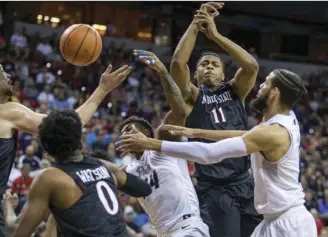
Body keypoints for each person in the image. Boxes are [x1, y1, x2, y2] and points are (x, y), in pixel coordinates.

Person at [116, 69, 317, 237]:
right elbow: (247, 135)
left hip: (289, 225)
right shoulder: (284, 118)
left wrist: (151, 143)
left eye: (265, 84)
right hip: (273, 221)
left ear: (274, 93)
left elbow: (209, 153)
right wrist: (198, 132)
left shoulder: (273, 132)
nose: (259, 87)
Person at [0, 53, 131, 237]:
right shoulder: (5, 111)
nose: (9, 76)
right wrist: (102, 90)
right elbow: (67, 125)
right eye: (2, 72)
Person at [169, 2, 261, 236]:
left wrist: (216, 35)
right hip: (215, 189)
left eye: (214, 64)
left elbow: (251, 66)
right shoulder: (192, 96)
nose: (209, 67)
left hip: (245, 183)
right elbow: (178, 64)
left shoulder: (235, 91)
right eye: (204, 64)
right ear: (197, 73)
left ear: (223, 73)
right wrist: (195, 23)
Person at [2, 110, 152, 237]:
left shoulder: (49, 178)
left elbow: (17, 232)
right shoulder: (105, 166)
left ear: (46, 150)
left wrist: (8, 207)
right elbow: (144, 189)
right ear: (80, 142)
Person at [118, 50, 209, 236]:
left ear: (145, 132)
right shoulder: (128, 170)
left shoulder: (164, 143)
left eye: (129, 130)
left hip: (188, 227)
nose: (124, 136)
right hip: (163, 232)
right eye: (122, 134)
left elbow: (180, 111)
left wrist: (162, 72)